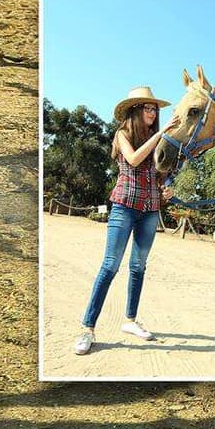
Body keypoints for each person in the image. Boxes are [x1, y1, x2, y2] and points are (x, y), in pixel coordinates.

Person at [74, 86, 174, 356]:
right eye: (148, 108)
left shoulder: (157, 140)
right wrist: (161, 136)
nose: (153, 113)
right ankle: (87, 328)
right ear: (135, 110)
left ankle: (130, 321)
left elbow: (159, 175)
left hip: (151, 210)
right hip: (124, 207)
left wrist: (167, 189)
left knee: (138, 267)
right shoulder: (122, 135)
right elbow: (133, 158)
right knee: (110, 266)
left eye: (155, 109)